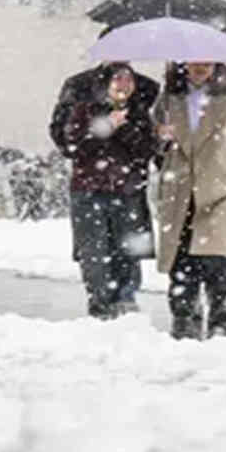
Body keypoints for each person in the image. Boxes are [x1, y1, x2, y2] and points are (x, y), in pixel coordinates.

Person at [152, 61, 226, 340]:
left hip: (218, 186)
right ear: (184, 63)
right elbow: (155, 140)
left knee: (217, 256)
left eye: (207, 61)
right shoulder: (168, 99)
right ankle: (183, 311)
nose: (201, 67)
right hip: (180, 186)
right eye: (195, 60)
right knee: (181, 254)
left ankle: (219, 308)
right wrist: (161, 138)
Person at [61, 63, 157, 318]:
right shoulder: (84, 109)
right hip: (88, 190)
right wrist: (104, 128)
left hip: (127, 191)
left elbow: (146, 151)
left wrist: (125, 128)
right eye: (117, 80)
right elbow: (73, 147)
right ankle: (100, 300)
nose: (123, 85)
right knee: (94, 250)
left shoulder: (138, 113)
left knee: (128, 249)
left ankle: (126, 298)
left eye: (129, 80)